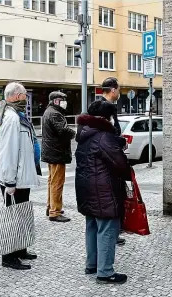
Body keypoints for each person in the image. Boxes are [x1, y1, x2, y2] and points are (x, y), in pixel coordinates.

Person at [75, 100, 131, 284]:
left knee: (91, 226)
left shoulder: (84, 134)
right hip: (103, 190)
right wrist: (120, 148)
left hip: (85, 188)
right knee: (107, 228)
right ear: (106, 117)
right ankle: (105, 272)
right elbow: (121, 166)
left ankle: (92, 264)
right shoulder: (103, 137)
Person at [0, 82, 40, 270]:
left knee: (22, 215)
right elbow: (8, 151)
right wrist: (9, 181)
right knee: (12, 218)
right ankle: (8, 257)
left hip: (22, 177)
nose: (26, 98)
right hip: (14, 179)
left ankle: (21, 249)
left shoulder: (17, 116)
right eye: (24, 95)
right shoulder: (11, 118)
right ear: (16, 96)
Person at [41, 91, 76, 222]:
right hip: (57, 152)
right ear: (56, 101)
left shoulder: (48, 111)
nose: (64, 102)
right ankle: (54, 212)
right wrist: (76, 134)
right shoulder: (55, 113)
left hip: (51, 151)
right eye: (62, 100)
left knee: (52, 181)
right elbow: (64, 130)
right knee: (57, 182)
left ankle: (50, 206)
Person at [101, 77, 126, 245]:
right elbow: (107, 138)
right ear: (113, 90)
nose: (119, 92)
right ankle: (112, 234)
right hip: (109, 163)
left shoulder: (108, 108)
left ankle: (115, 232)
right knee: (113, 198)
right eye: (119, 89)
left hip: (110, 160)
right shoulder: (105, 109)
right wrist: (120, 142)